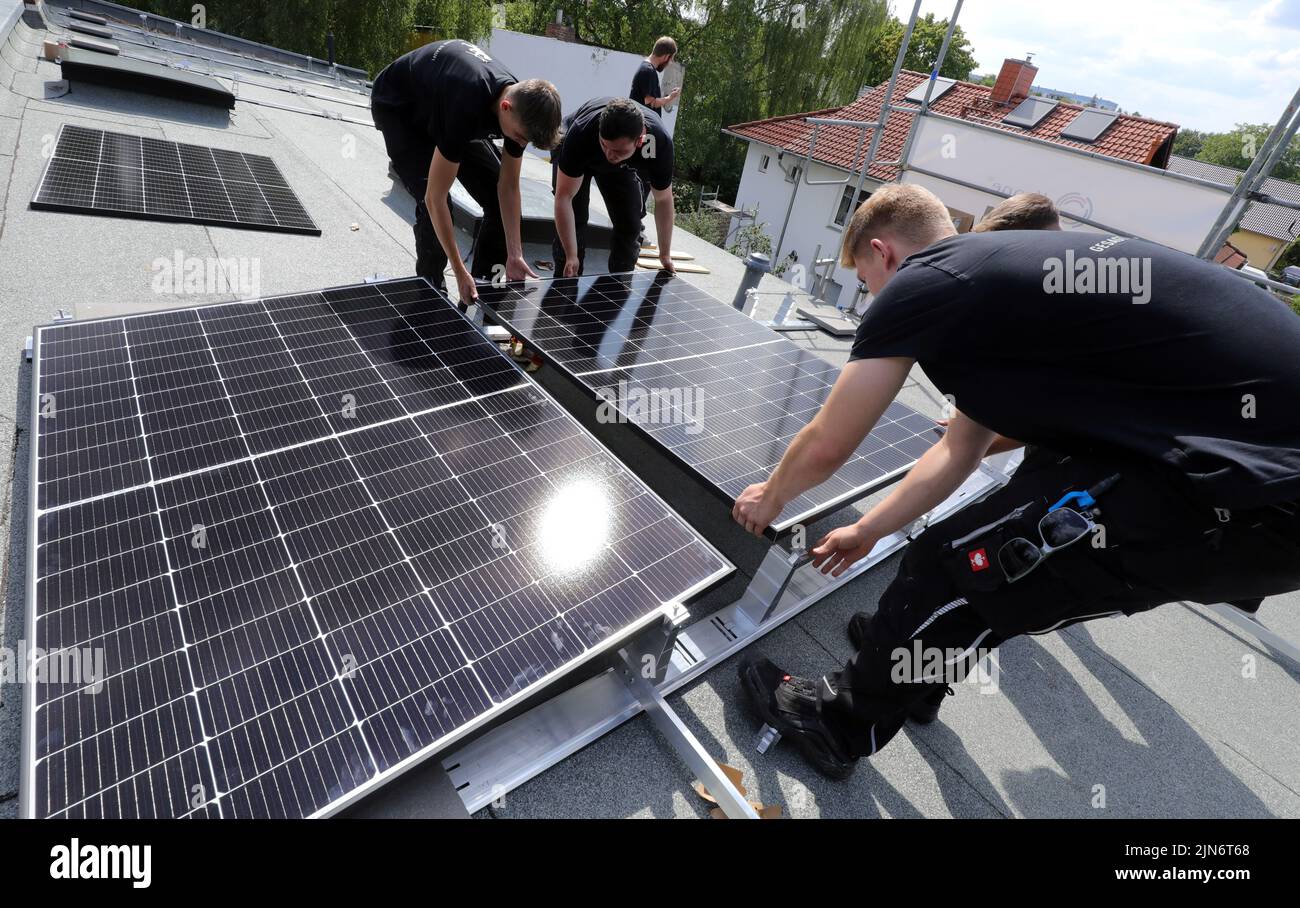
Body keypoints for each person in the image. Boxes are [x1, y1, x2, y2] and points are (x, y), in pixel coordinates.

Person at [732, 183, 1300, 779]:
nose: (872, 297)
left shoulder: (930, 281)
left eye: (867, 281)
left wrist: (770, 497)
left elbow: (829, 442)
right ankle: (918, 675)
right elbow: (960, 450)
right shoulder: (1002, 288)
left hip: (1245, 487)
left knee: (953, 565)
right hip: (1242, 477)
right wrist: (868, 528)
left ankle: (839, 722)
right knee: (1008, 565)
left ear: (886, 254)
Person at [370, 39, 562, 305]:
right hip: (402, 111)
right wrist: (459, 270)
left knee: (498, 203)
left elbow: (507, 187)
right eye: (519, 138)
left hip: (443, 102)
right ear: (505, 108)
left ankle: (482, 289)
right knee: (437, 207)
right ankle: (430, 295)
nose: (519, 145)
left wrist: (515, 253)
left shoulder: (520, 104)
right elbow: (434, 199)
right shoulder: (467, 103)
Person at [551, 97, 677, 276]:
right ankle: (566, 282)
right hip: (580, 151)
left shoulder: (660, 142)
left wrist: (665, 254)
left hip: (621, 167)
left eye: (618, 150)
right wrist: (571, 255)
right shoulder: (581, 131)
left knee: (630, 223)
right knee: (576, 220)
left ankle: (619, 284)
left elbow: (663, 200)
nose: (609, 155)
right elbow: (564, 198)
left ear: (640, 140)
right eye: (605, 145)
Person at [630, 36, 681, 115]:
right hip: (640, 124)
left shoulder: (647, 69)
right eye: (671, 59)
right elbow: (651, 103)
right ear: (666, 56)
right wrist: (670, 97)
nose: (670, 62)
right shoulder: (648, 71)